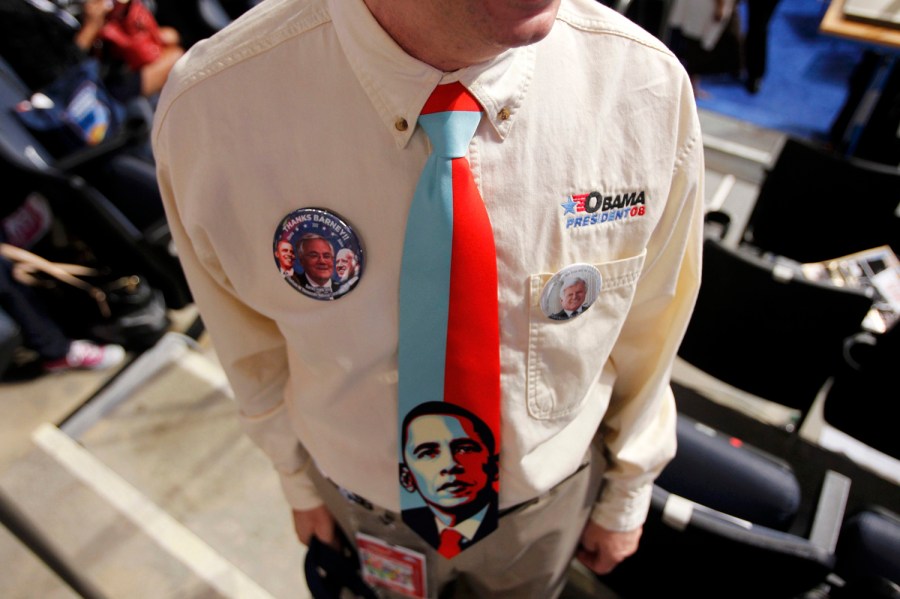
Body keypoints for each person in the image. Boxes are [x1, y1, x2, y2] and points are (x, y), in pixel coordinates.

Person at [153, 0, 705, 596]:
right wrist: (296, 480)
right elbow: (246, 343)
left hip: (545, 506)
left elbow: (653, 325)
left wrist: (628, 488)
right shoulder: (212, 109)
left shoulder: (643, 86)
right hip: (361, 504)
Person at [399, 402, 499, 556]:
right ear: (407, 478)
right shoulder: (415, 519)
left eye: (465, 449)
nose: (450, 464)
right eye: (427, 453)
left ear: (494, 466)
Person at [292, 234, 339, 298]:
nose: (322, 261)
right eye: (314, 255)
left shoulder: (342, 287)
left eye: (327, 256)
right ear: (302, 261)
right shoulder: (294, 284)